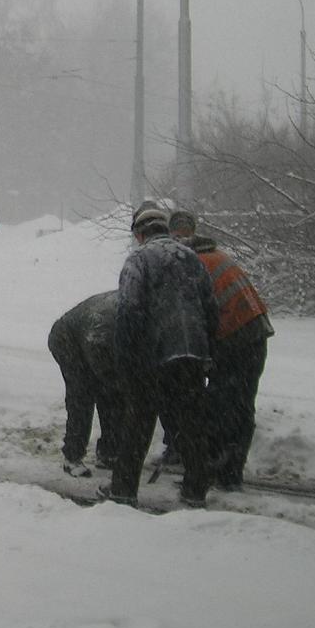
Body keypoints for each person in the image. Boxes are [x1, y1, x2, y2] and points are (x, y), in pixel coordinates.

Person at [103, 202, 218, 508]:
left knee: (138, 425)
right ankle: (195, 492)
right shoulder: (192, 258)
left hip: (153, 358)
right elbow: (210, 308)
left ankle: (123, 492)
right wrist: (208, 351)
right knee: (191, 424)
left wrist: (126, 362)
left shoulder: (138, 260)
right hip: (191, 354)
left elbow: (128, 312)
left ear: (140, 234)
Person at [169, 208, 275, 491]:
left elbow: (194, 318)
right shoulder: (215, 254)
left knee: (221, 405)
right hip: (256, 333)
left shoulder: (192, 265)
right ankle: (230, 472)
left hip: (236, 338)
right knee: (240, 405)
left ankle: (219, 470)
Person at [47, 290, 121, 477]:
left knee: (110, 396)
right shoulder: (104, 323)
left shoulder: (133, 310)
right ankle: (72, 456)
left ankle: (109, 452)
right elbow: (103, 366)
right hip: (66, 339)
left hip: (88, 337)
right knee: (82, 395)